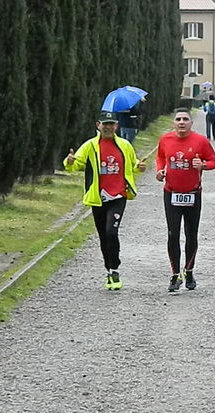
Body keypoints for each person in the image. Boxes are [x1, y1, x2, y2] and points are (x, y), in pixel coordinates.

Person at [64, 111, 146, 290]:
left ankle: (115, 268)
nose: (108, 128)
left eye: (111, 124)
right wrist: (69, 161)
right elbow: (76, 164)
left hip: (118, 196)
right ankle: (109, 270)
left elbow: (132, 164)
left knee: (111, 232)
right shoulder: (90, 146)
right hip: (98, 198)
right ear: (98, 125)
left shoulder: (124, 145)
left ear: (116, 126)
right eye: (105, 124)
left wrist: (139, 166)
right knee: (103, 236)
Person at [156, 108, 215, 291]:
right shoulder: (165, 139)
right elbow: (160, 157)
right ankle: (175, 275)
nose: (181, 122)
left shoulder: (200, 141)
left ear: (191, 123)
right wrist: (160, 171)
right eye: (178, 119)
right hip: (171, 193)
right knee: (172, 234)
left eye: (185, 119)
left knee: (191, 235)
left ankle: (189, 270)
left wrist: (204, 165)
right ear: (174, 123)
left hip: (193, 194)